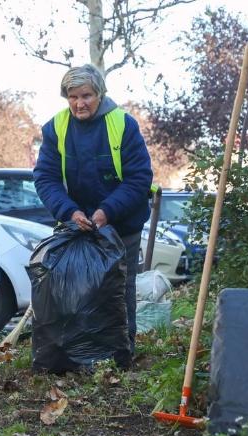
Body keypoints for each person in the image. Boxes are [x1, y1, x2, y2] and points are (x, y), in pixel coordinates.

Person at [33, 64, 154, 352]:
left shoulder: (123, 125)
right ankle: (79, 352)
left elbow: (139, 179)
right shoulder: (56, 128)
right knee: (75, 289)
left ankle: (121, 351)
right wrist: (69, 212)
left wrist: (106, 212)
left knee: (118, 290)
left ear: (99, 94)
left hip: (121, 224)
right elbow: (45, 177)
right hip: (76, 223)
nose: (79, 103)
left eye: (86, 95)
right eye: (72, 97)